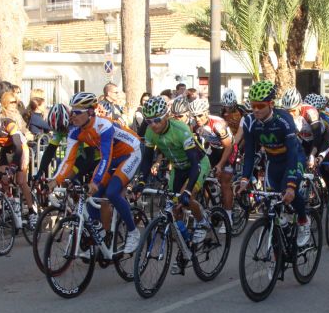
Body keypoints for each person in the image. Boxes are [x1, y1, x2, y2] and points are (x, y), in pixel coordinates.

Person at [52, 92, 141, 254]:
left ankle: (133, 232)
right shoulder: (75, 131)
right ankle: (100, 234)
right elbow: (68, 160)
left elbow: (105, 158)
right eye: (72, 111)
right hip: (113, 157)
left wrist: (95, 181)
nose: (73, 116)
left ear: (90, 112)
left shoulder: (103, 126)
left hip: (131, 152)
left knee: (112, 192)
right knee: (92, 197)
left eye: (77, 112)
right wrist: (56, 179)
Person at [236, 81, 311, 247]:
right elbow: (249, 154)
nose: (255, 109)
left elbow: (292, 153)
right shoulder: (250, 122)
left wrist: (291, 186)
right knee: (271, 203)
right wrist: (244, 180)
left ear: (271, 104)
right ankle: (277, 254)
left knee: (288, 191)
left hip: (293, 159)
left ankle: (303, 220)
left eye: (260, 105)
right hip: (273, 162)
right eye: (253, 105)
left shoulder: (284, 120)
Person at [134, 96, 211, 248]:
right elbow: (147, 159)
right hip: (178, 167)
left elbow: (195, 164)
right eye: (149, 121)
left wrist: (188, 191)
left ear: (167, 116)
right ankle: (186, 244)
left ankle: (202, 222)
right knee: (174, 208)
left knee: (186, 198)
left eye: (157, 120)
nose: (153, 125)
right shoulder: (150, 133)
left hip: (198, 164)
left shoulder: (181, 130)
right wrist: (141, 181)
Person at [0, 101, 38, 228]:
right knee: (3, 178)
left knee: (21, 181)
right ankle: (12, 205)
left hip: (20, 149)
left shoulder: (8, 124)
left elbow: (18, 147)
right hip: (6, 150)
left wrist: (12, 168)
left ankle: (31, 212)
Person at [189, 98, 236, 229]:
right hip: (214, 148)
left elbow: (228, 147)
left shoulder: (218, 124)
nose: (197, 119)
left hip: (228, 149)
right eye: (194, 116)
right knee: (204, 180)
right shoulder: (194, 124)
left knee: (225, 182)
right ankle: (209, 205)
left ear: (206, 113)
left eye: (199, 115)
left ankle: (228, 217)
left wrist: (220, 165)